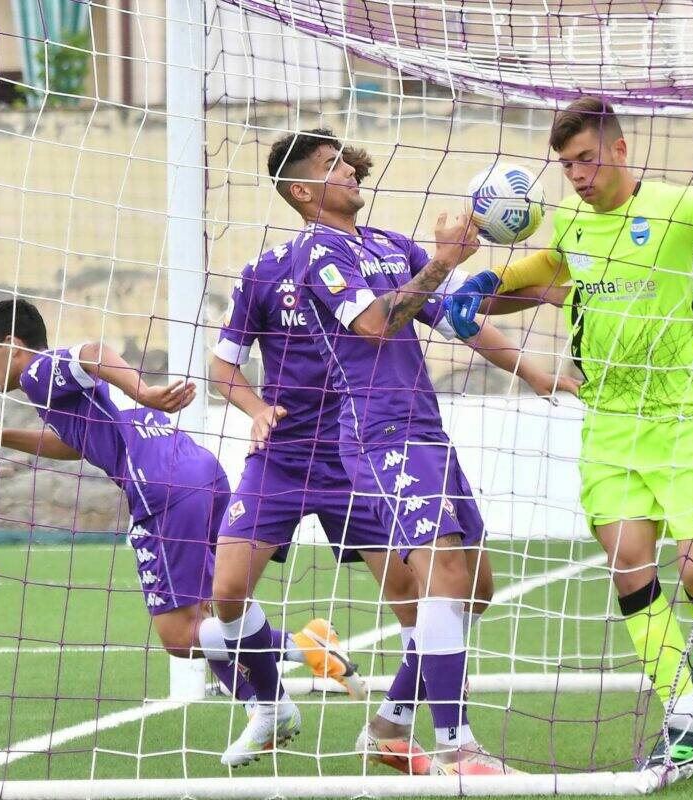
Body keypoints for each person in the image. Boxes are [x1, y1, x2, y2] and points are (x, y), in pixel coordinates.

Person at [442, 96, 693, 768]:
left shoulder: (674, 207)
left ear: (619, 148)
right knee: (629, 569)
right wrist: (485, 277)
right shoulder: (571, 221)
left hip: (686, 416)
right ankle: (687, 717)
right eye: (566, 163)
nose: (576, 174)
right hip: (609, 422)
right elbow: (546, 268)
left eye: (585, 158)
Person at [210, 139, 576, 771]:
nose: (350, 169)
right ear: (302, 191)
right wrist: (437, 262)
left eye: (345, 160)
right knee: (442, 579)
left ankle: (389, 722)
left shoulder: (389, 245)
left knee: (474, 589)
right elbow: (375, 322)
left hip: (422, 426)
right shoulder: (310, 254)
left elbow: (460, 309)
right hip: (373, 433)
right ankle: (457, 746)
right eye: (331, 165)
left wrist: (535, 335)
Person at [0, 298, 337, 724]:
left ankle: (302, 646)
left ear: (11, 344)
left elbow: (90, 352)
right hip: (198, 471)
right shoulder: (57, 394)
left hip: (160, 487)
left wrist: (144, 391)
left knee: (179, 636)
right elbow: (75, 443)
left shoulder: (38, 371)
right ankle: (263, 708)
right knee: (205, 614)